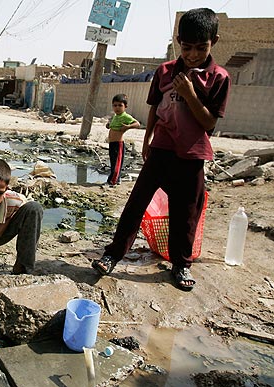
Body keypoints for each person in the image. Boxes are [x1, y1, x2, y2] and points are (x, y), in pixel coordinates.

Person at [91, 8, 231, 291]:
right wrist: (147, 140)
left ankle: (181, 264)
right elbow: (154, 107)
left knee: (186, 212)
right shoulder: (165, 71)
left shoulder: (218, 77)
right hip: (162, 149)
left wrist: (190, 94)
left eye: (200, 48)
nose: (192, 54)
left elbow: (209, 123)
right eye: (187, 47)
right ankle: (113, 254)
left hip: (192, 154)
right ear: (179, 41)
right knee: (136, 203)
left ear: (213, 42)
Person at [105, 94, 140, 185]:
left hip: (118, 144)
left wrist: (128, 127)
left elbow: (137, 124)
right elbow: (112, 126)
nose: (117, 108)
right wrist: (108, 125)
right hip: (112, 143)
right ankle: (116, 179)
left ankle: (113, 181)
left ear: (125, 106)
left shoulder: (125, 116)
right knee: (113, 162)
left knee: (117, 163)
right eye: (115, 105)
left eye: (120, 105)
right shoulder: (115, 116)